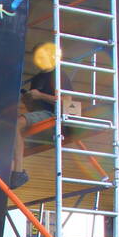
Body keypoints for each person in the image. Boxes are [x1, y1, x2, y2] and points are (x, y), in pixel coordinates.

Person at [11, 44, 71, 190]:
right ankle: (11, 171)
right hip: (39, 114)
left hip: (53, 114)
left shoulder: (59, 75)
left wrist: (40, 95)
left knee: (16, 124)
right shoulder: (37, 78)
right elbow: (33, 109)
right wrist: (29, 99)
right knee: (8, 127)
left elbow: (68, 103)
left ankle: (17, 172)